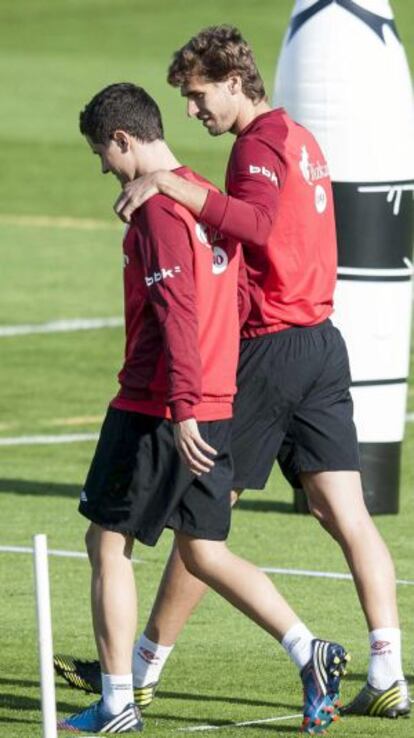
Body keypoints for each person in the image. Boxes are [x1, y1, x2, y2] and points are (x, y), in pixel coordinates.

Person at [56, 81, 349, 736]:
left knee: (107, 541)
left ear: (126, 139)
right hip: (219, 398)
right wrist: (206, 396)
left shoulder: (161, 212)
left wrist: (183, 405)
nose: (105, 166)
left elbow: (180, 315)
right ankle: (310, 651)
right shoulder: (201, 197)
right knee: (206, 550)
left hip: (159, 406)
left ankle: (117, 703)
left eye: (104, 153)